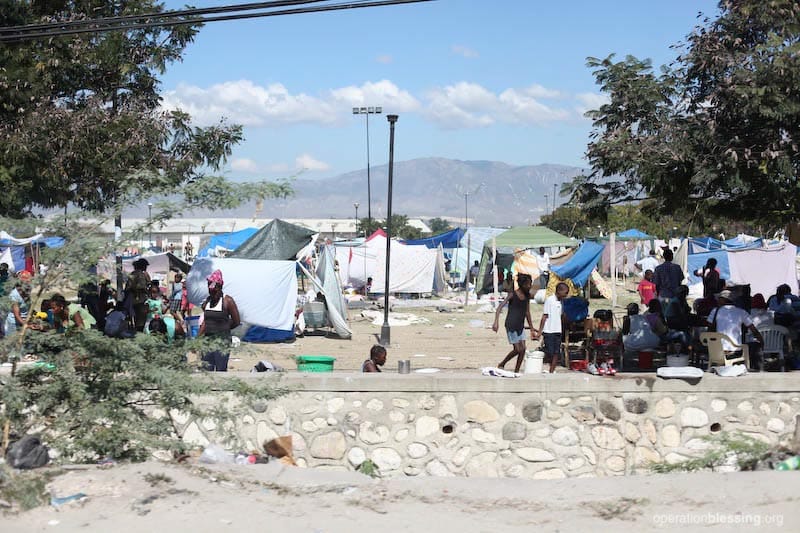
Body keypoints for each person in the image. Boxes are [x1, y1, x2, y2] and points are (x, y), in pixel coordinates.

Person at [493, 273, 538, 373]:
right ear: (522, 284)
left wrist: (531, 328)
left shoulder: (527, 296)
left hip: (520, 325)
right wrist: (496, 322)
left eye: (530, 284)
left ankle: (516, 371)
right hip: (511, 324)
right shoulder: (513, 294)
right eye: (527, 284)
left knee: (523, 349)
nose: (529, 286)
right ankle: (502, 363)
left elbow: (527, 312)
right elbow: (500, 307)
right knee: (518, 349)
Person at [199, 269, 241, 371]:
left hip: (222, 342)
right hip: (207, 341)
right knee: (206, 370)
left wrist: (223, 328)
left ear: (220, 287)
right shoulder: (207, 302)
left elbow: (236, 321)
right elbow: (205, 322)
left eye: (215, 290)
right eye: (210, 290)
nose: (213, 292)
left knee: (220, 370)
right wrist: (198, 339)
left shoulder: (228, 301)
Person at [707, 290, 764, 363]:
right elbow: (753, 329)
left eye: (719, 298)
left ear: (723, 300)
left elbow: (709, 326)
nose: (717, 300)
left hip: (716, 350)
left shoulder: (715, 311)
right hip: (735, 350)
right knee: (754, 345)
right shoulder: (741, 312)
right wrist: (761, 341)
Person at [539, 281, 569, 373]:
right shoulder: (550, 300)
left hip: (557, 330)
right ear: (559, 291)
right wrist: (540, 331)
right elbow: (545, 316)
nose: (566, 294)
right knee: (550, 351)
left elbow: (561, 315)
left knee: (556, 352)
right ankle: (542, 360)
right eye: (565, 292)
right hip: (549, 330)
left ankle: (552, 370)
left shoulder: (561, 302)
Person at [125, 258, 151, 332]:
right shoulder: (140, 274)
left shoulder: (132, 274)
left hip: (131, 300)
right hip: (139, 299)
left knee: (135, 319)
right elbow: (141, 287)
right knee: (141, 320)